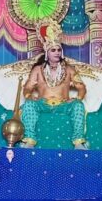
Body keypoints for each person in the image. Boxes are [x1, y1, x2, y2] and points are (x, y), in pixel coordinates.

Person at [21, 19, 87, 149]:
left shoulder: (69, 69)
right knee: (28, 105)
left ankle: (78, 142)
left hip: (63, 104)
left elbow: (81, 87)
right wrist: (29, 96)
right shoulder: (37, 70)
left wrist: (78, 98)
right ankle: (29, 141)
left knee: (79, 106)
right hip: (43, 104)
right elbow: (27, 87)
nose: (57, 52)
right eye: (53, 50)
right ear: (47, 52)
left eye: (58, 50)